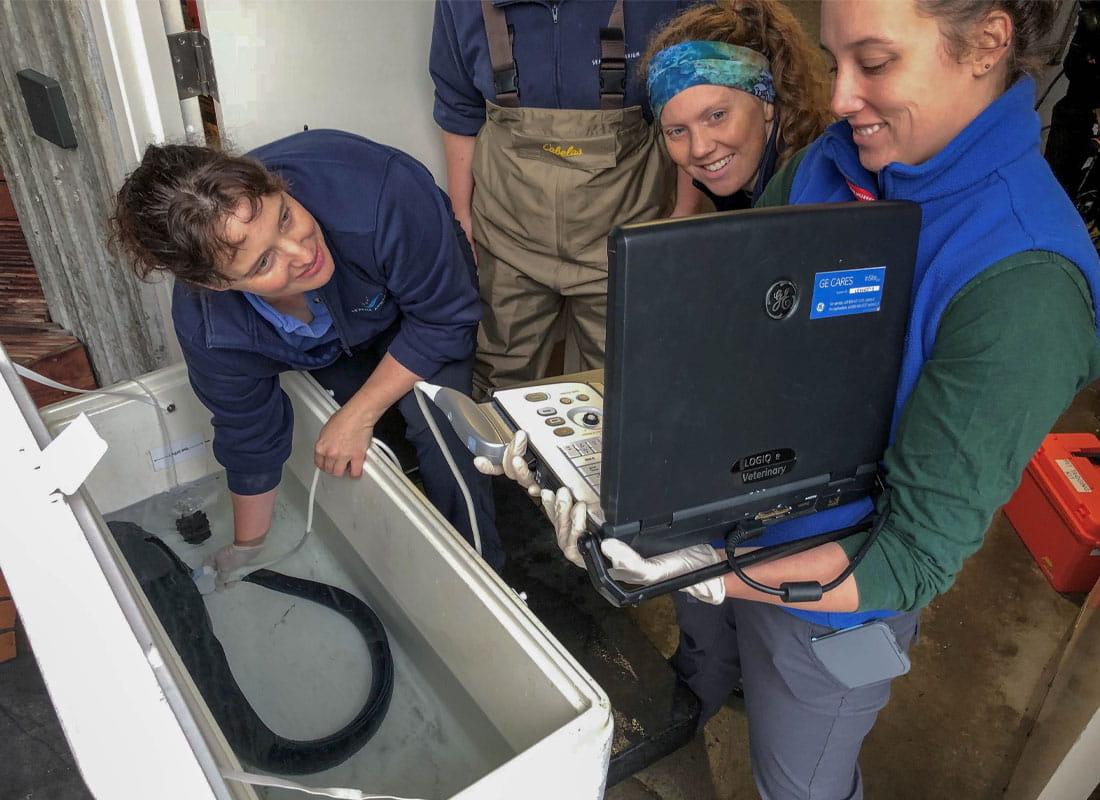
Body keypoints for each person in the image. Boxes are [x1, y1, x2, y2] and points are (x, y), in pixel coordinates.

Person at [483, 1, 1100, 798]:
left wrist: (707, 572)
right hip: (721, 521)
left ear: (987, 41)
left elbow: (908, 557)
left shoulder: (1024, 283)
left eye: (873, 63)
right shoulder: (831, 161)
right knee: (701, 667)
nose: (839, 99)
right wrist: (600, 451)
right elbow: (738, 340)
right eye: (833, 60)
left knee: (799, 779)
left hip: (827, 605)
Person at [110, 129, 504, 578]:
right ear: (217, 284)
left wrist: (358, 414)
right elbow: (249, 435)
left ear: (276, 184)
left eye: (283, 217)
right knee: (352, 425)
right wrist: (247, 548)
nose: (302, 252)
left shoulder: (381, 195)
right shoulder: (211, 326)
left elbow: (445, 319)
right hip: (334, 329)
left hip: (416, 299)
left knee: (439, 426)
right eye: (262, 263)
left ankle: (483, 570)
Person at [430, 0, 702, 396]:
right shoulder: (461, 5)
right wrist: (461, 218)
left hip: (626, 230)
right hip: (507, 233)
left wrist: (684, 215)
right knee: (498, 381)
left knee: (627, 380)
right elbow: (458, 106)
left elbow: (699, 103)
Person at [639, 0, 833, 214]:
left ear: (766, 101)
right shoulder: (744, 192)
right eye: (677, 131)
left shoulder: (815, 194)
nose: (699, 148)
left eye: (717, 116)